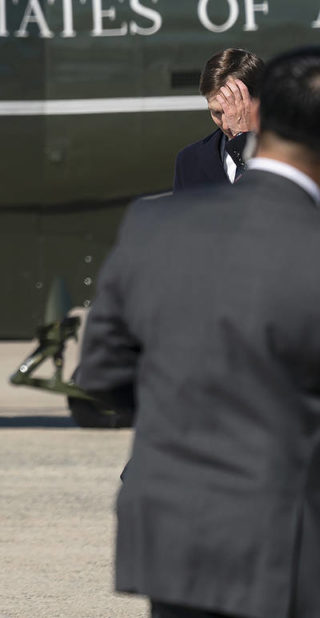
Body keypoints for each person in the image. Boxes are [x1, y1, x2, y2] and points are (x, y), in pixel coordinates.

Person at [78, 46, 320, 618]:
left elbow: (104, 381)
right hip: (279, 521)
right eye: (215, 113)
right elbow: (237, 241)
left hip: (177, 512)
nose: (224, 122)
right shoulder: (195, 167)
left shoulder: (147, 223)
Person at [173, 48, 264, 191]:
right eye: (217, 112)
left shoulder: (294, 153)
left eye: (234, 110)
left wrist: (243, 139)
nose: (227, 124)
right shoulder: (190, 161)